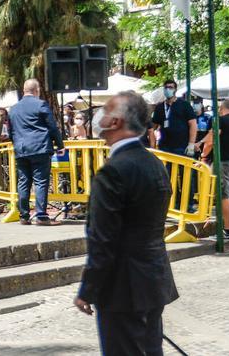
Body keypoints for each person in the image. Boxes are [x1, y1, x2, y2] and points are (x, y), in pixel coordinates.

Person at [74, 91, 179, 355]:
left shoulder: (114, 170)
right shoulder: (154, 163)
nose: (99, 115)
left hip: (123, 286)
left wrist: (88, 289)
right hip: (153, 279)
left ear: (116, 122)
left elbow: (103, 240)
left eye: (106, 110)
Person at [8, 79, 64, 225]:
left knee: (23, 182)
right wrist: (60, 145)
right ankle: (41, 216)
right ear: (37, 90)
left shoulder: (13, 108)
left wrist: (17, 145)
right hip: (40, 148)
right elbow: (52, 127)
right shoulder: (41, 105)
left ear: (24, 90)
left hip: (21, 149)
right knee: (40, 182)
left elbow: (10, 132)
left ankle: (24, 216)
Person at [198, 99, 229, 239]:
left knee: (223, 196)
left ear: (221, 107)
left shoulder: (220, 121)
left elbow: (211, 139)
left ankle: (227, 229)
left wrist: (203, 155)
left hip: (222, 161)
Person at [149, 79, 197, 156]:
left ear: (175, 90)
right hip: (164, 146)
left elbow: (193, 124)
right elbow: (153, 126)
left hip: (181, 146)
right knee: (166, 168)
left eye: (171, 87)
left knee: (181, 167)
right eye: (166, 87)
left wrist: (191, 143)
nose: (168, 90)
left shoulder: (184, 105)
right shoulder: (160, 107)